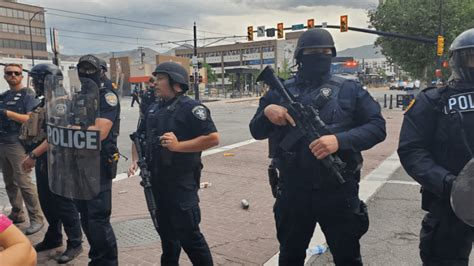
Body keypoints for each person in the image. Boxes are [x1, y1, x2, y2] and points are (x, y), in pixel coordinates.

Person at [249, 29, 386, 265]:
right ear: (301, 56)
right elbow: (256, 130)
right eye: (313, 53)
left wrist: (339, 141)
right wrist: (267, 113)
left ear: (332, 55)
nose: (319, 57)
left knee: (348, 257)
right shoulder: (279, 91)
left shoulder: (350, 90)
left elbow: (377, 127)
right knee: (290, 256)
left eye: (325, 53)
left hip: (338, 190)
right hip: (293, 190)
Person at [128, 62, 219, 265]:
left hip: (181, 185)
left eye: (160, 79)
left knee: (191, 238)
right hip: (157, 184)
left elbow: (212, 138)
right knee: (168, 240)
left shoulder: (191, 108)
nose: (155, 83)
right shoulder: (153, 109)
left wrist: (178, 146)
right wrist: (136, 160)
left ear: (176, 84)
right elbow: (139, 137)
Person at [398, 28, 474, 265]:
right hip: (449, 201)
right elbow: (412, 150)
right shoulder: (433, 101)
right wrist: (450, 183)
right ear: (459, 60)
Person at [20, 63, 83, 263]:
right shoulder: (44, 102)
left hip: (59, 160)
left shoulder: (62, 102)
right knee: (47, 201)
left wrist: (33, 155)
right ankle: (54, 237)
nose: (34, 84)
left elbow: (58, 135)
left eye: (37, 80)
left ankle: (75, 242)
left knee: (64, 203)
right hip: (45, 160)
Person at [74, 55, 120, 265]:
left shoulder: (106, 94)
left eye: (90, 69)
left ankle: (107, 261)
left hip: (98, 162)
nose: (85, 72)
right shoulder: (80, 94)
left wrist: (71, 130)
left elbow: (99, 132)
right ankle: (97, 258)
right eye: (81, 68)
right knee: (84, 213)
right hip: (78, 162)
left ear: (101, 70)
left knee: (98, 217)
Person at [0, 63, 44, 235]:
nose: (12, 76)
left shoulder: (28, 95)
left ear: (21, 75)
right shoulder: (4, 96)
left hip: (17, 143)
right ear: (4, 76)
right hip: (2, 141)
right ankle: (17, 212)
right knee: (9, 181)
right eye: (9, 73)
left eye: (16, 73)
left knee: (24, 182)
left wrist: (8, 114)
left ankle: (37, 218)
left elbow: (31, 119)